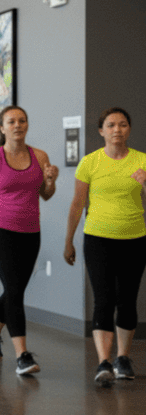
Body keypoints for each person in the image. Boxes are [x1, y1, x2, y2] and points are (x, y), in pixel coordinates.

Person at [0, 106, 58, 374]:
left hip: (31, 232)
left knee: (13, 291)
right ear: (2, 127)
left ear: (27, 125)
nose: (18, 125)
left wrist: (51, 181)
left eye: (22, 120)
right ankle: (23, 356)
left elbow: (46, 195)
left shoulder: (40, 156)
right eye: (11, 121)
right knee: (15, 291)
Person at [64, 107, 146, 385]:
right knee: (103, 299)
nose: (117, 130)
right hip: (98, 239)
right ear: (101, 131)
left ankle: (123, 358)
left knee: (126, 300)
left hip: (134, 240)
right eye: (111, 125)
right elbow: (77, 205)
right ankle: (103, 363)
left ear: (129, 129)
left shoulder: (142, 161)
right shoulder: (90, 162)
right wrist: (69, 241)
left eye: (123, 124)